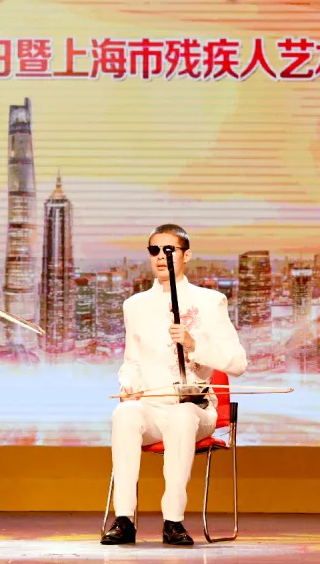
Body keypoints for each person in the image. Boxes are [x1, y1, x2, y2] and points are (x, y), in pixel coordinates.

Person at [101, 224, 247, 547]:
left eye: (169, 250)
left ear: (187, 255)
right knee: (124, 414)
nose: (160, 257)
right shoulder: (135, 305)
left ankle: (173, 520)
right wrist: (128, 384)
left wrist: (195, 345)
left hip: (195, 410)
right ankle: (124, 519)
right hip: (152, 408)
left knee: (182, 416)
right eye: (154, 250)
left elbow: (238, 362)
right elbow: (131, 361)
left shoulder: (210, 301)